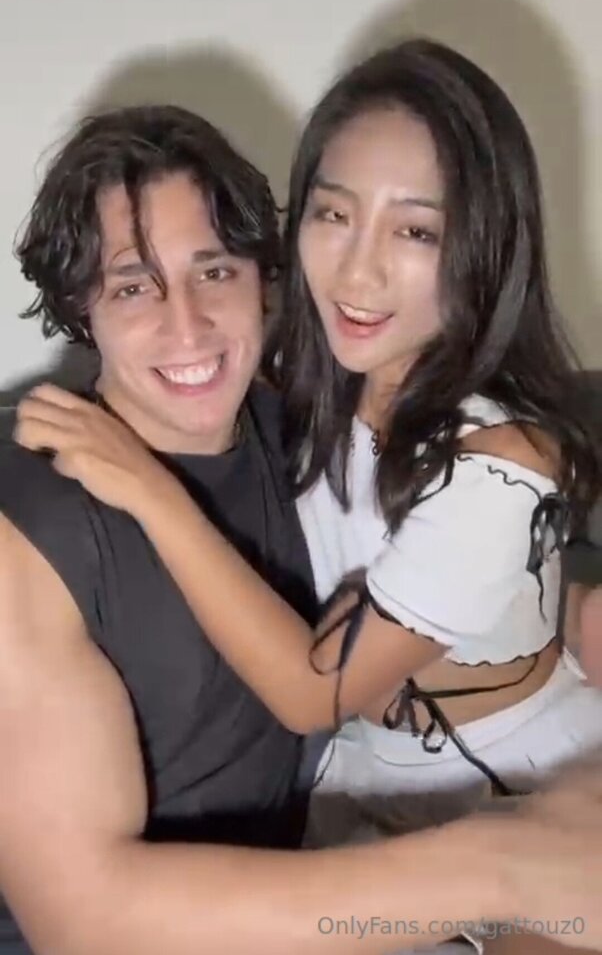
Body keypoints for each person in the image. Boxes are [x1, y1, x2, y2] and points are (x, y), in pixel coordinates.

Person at [5, 81, 602, 955]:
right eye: (134, 287)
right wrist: (503, 864)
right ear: (80, 307)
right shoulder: (32, 520)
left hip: (369, 861)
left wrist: (567, 605)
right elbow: (83, 925)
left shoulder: (290, 422)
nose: (188, 325)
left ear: (264, 279)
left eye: (215, 271)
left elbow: (464, 541)